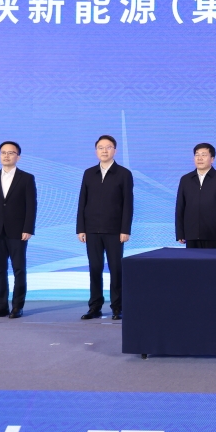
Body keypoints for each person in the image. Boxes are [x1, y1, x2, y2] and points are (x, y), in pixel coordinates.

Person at [76, 135, 134, 321]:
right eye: (100, 147)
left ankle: (118, 307)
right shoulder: (88, 173)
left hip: (115, 230)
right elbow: (82, 201)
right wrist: (81, 228)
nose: (104, 150)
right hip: (92, 229)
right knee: (95, 268)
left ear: (115, 150)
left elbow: (128, 204)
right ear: (96, 151)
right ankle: (95, 307)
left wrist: (125, 230)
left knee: (116, 269)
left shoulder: (123, 174)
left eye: (108, 147)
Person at [0, 141, 36, 319]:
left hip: (18, 231)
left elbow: (31, 206)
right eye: (3, 152)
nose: (6, 156)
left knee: (19, 269)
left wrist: (28, 228)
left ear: (18, 157)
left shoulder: (26, 178)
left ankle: (17, 306)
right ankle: (1, 306)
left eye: (11, 153)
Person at [175, 142, 216, 250]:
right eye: (197, 155)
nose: (199, 158)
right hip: (191, 234)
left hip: (214, 234)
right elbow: (180, 208)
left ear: (212, 159)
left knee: (212, 261)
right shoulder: (185, 180)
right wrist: (180, 232)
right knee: (191, 261)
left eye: (204, 155)